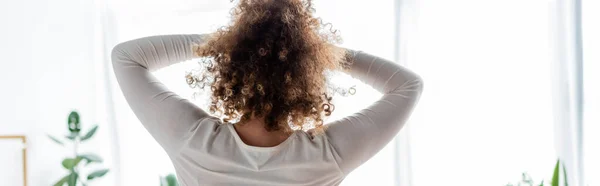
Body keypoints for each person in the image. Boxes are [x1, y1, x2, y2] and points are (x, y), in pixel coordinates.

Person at [111, 0, 423, 185]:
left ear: (231, 71)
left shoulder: (193, 142)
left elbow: (127, 56)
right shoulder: (328, 157)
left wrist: (226, 43)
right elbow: (408, 85)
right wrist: (316, 51)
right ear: (306, 78)